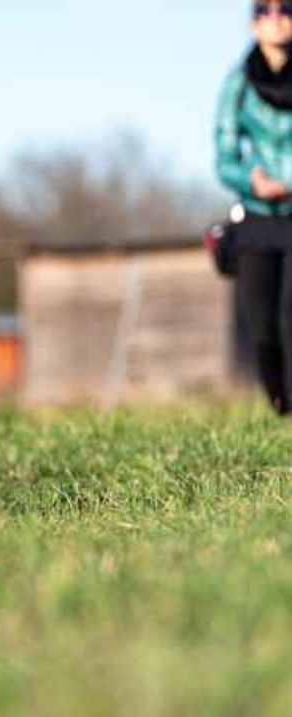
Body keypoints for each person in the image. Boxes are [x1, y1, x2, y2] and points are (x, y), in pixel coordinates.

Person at [216, 0, 292, 414]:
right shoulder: (238, 85)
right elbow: (223, 157)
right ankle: (279, 400)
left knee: (291, 316)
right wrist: (252, 181)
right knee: (262, 326)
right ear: (253, 25)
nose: (276, 17)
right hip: (257, 214)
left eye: (286, 9)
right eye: (264, 10)